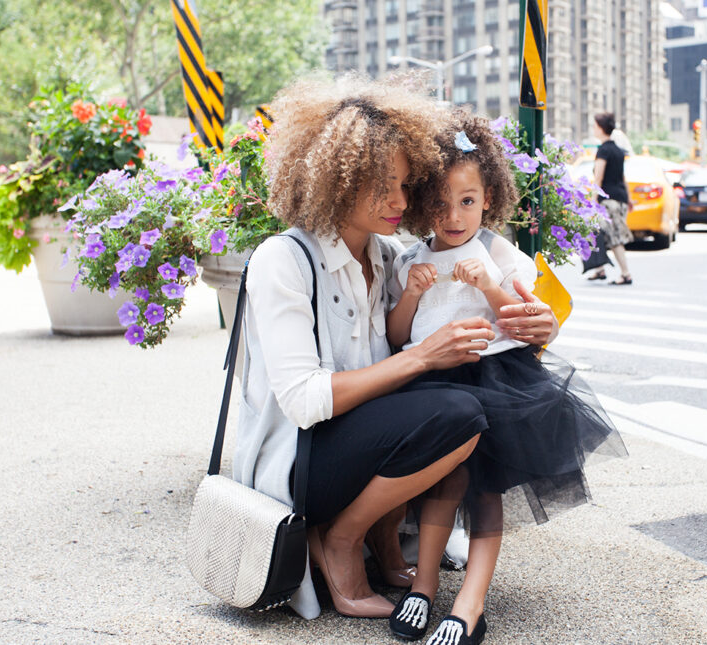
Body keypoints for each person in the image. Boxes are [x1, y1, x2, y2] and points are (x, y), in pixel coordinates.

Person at [232, 75, 560, 622]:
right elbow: (303, 401)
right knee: (456, 412)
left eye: (407, 186)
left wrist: (541, 326)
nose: (400, 201)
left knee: (460, 410)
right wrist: (422, 356)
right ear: (337, 181)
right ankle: (340, 538)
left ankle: (386, 543)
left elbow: (483, 303)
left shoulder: (389, 258)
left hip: (361, 445)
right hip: (300, 459)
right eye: (383, 185)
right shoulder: (282, 260)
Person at [384, 110, 626, 644]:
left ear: (488, 198)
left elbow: (528, 323)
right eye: (441, 203)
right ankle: (423, 586)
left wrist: (491, 286)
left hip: (496, 380)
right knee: (441, 484)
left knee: (486, 489)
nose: (454, 216)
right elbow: (399, 334)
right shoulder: (410, 259)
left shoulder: (497, 251)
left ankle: (471, 602)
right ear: (423, 204)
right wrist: (412, 294)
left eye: (467, 202)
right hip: (434, 381)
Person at [585, 112, 634, 285]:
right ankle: (600, 269)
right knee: (598, 232)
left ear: (600, 128)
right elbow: (622, 177)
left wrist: (592, 201)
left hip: (608, 201)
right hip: (619, 198)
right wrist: (629, 199)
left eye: (595, 126)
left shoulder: (603, 150)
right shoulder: (618, 151)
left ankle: (626, 273)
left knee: (613, 237)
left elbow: (598, 178)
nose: (593, 129)